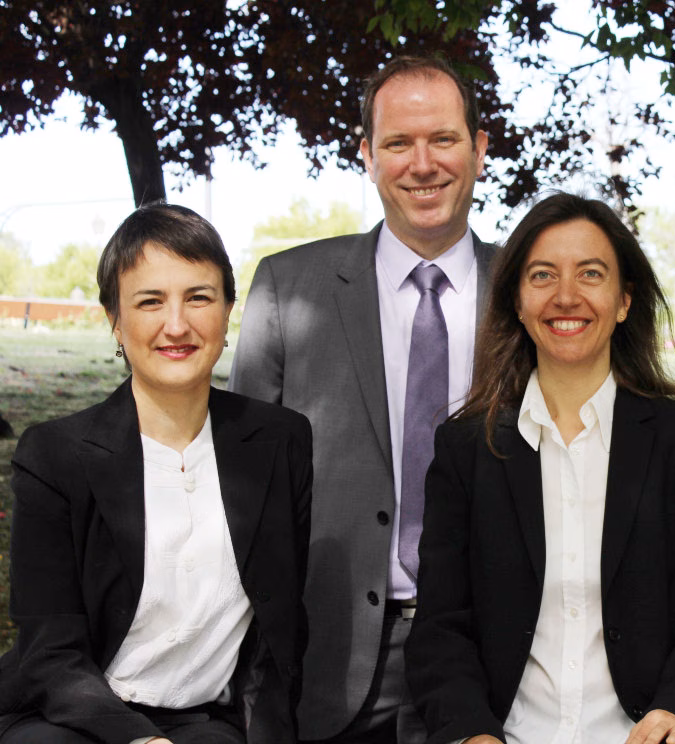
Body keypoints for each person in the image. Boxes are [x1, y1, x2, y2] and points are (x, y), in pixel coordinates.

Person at [405, 192, 675, 744]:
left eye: (590, 274)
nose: (566, 297)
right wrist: (472, 733)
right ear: (517, 300)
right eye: (542, 275)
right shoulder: (465, 449)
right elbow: (442, 627)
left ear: (623, 300)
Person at [229, 55, 495, 744]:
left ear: (479, 147)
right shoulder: (291, 288)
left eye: (443, 139)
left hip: (494, 659)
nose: (423, 163)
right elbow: (241, 491)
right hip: (331, 656)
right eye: (398, 144)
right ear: (367, 156)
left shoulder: (534, 292)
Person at [0, 203, 312, 744]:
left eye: (199, 297)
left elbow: (279, 625)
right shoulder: (54, 456)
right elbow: (50, 651)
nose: (177, 325)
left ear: (229, 310)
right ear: (115, 321)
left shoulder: (281, 441)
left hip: (206, 720)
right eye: (150, 302)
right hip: (72, 715)